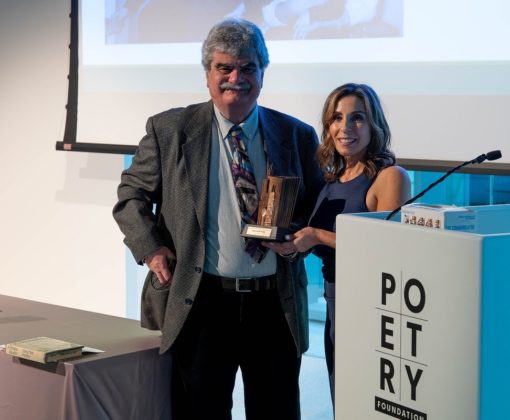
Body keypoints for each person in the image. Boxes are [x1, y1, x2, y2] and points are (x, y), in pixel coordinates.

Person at [112, 18, 324, 420]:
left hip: (274, 304)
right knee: (200, 412)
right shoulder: (170, 129)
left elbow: (313, 208)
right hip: (203, 302)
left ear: (263, 72)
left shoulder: (296, 135)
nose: (235, 78)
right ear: (207, 75)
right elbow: (130, 196)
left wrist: (299, 237)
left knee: (277, 410)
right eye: (223, 68)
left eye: (247, 67)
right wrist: (151, 249)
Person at [264, 82, 411, 408]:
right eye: (336, 118)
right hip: (334, 304)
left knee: (371, 403)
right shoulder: (329, 181)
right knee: (342, 402)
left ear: (374, 125)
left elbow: (387, 248)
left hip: (373, 308)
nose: (345, 128)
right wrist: (290, 242)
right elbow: (318, 240)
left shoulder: (391, 177)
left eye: (357, 118)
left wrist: (316, 235)